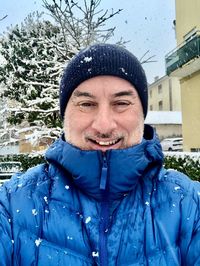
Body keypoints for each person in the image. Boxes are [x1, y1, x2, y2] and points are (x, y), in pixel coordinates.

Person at [0, 43, 199, 266]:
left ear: (142, 114)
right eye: (86, 104)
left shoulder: (189, 204)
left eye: (121, 103)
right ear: (64, 115)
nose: (104, 125)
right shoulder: (10, 205)